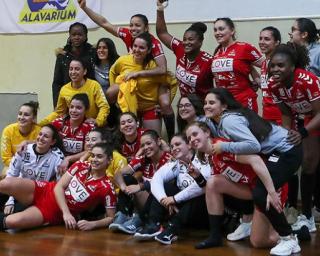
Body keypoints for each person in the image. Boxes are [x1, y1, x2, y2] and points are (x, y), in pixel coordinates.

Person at [202, 88, 303, 255]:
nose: (206, 106)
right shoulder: (220, 121)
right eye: (205, 103)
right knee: (246, 183)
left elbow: (254, 146)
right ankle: (248, 223)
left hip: (287, 151)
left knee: (261, 193)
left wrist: (223, 146)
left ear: (224, 106)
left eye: (211, 102)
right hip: (276, 152)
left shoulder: (229, 121)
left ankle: (289, 238)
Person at [78, 0, 176, 141]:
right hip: (133, 81)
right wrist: (85, 8)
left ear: (146, 28)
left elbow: (162, 69)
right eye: (131, 25)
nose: (133, 28)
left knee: (165, 104)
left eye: (137, 25)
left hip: (153, 80)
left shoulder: (153, 43)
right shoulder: (127, 35)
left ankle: (172, 139)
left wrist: (138, 73)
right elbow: (105, 23)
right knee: (111, 93)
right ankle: (115, 121)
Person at [186, 122, 291, 248]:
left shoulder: (222, 146)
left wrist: (271, 191)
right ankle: (216, 236)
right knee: (213, 182)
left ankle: (294, 234)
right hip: (253, 189)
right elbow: (209, 189)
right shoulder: (212, 157)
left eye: (195, 134)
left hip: (269, 187)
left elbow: (256, 160)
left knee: (258, 242)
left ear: (207, 133)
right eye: (189, 138)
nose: (192, 139)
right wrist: (197, 177)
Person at [0, 143, 116, 231]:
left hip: (53, 211)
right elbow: (59, 187)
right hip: (46, 190)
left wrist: (93, 224)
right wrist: (67, 213)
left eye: (99, 157)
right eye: (93, 156)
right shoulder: (81, 165)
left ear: (109, 160)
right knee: (6, 183)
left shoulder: (107, 187)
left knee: (13, 222)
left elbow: (110, 218)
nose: (94, 160)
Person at [268, 43, 320, 233]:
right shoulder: (274, 85)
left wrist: (303, 133)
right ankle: (307, 216)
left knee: (310, 161)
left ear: (292, 66)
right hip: (306, 118)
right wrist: (285, 134)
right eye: (273, 65)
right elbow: (286, 113)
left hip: (315, 116)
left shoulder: (307, 80)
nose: (275, 69)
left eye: (280, 66)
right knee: (308, 163)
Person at [133, 133, 211, 244]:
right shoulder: (177, 163)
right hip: (182, 211)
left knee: (198, 196)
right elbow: (156, 179)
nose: (174, 148)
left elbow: (202, 187)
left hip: (204, 213)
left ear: (189, 145)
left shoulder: (203, 160)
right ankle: (154, 225)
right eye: (172, 146)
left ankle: (172, 229)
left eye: (178, 144)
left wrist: (174, 199)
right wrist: (165, 200)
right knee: (165, 187)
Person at [109, 130, 172, 235]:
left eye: (149, 143)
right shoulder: (143, 159)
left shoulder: (168, 159)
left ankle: (140, 220)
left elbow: (167, 185)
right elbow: (118, 174)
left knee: (159, 188)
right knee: (127, 178)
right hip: (145, 201)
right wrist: (124, 187)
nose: (146, 147)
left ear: (159, 141)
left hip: (163, 204)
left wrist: (140, 186)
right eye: (143, 145)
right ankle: (124, 215)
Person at [108, 33, 169, 135]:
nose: (137, 50)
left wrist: (163, 103)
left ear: (148, 50)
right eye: (135, 46)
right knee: (129, 140)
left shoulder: (153, 66)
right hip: (129, 108)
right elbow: (113, 72)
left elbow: (168, 83)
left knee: (152, 139)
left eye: (142, 47)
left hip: (149, 108)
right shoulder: (123, 60)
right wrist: (117, 91)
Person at [156, 1, 213, 99]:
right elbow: (162, 33)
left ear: (200, 42)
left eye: (191, 39)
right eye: (185, 39)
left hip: (203, 109)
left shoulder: (209, 61)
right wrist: (160, 9)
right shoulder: (180, 49)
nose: (186, 43)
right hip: (184, 105)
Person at [3, 124, 64, 215]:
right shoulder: (24, 149)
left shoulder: (57, 157)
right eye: (40, 134)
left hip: (36, 195)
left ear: (53, 142)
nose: (41, 138)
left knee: (10, 215)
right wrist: (10, 200)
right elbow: (12, 174)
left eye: (46, 136)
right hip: (17, 189)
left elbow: (60, 183)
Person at [211, 18, 264, 112]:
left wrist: (260, 81)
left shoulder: (244, 47)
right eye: (215, 30)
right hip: (225, 102)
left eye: (221, 29)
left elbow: (267, 65)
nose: (217, 33)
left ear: (232, 31)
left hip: (243, 100)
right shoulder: (217, 52)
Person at [40, 58, 110, 128]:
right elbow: (59, 112)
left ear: (84, 71)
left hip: (95, 128)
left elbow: (104, 107)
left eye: (77, 69)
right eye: (71, 69)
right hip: (75, 128)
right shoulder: (64, 89)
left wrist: (98, 121)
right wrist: (41, 124)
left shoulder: (94, 85)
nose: (73, 72)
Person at [52, 22, 95, 107]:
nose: (76, 37)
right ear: (70, 36)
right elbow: (57, 82)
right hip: (68, 100)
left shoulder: (93, 53)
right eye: (73, 35)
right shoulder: (63, 56)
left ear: (86, 36)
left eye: (80, 34)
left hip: (89, 99)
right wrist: (57, 106)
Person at [52, 93, 94, 172]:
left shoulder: (89, 127)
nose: (74, 111)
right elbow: (45, 139)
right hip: (56, 162)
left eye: (78, 108)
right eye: (71, 107)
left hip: (79, 165)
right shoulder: (58, 123)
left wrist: (68, 159)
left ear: (86, 109)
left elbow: (89, 151)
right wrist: (26, 142)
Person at [1, 101, 41, 175]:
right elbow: (6, 158)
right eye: (20, 114)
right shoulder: (8, 130)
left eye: (26, 115)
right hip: (14, 165)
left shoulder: (40, 131)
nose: (21, 117)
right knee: (4, 173)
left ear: (33, 118)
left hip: (34, 167)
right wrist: (21, 166)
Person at [94, 38, 121, 128]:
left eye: (105, 48)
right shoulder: (92, 65)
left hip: (116, 106)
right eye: (99, 47)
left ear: (111, 49)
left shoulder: (119, 64)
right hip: (98, 106)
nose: (101, 50)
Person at [258, 26, 282, 124]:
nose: (262, 42)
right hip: (267, 112)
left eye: (267, 39)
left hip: (280, 113)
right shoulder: (264, 63)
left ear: (277, 42)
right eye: (260, 38)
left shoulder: (280, 63)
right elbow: (267, 86)